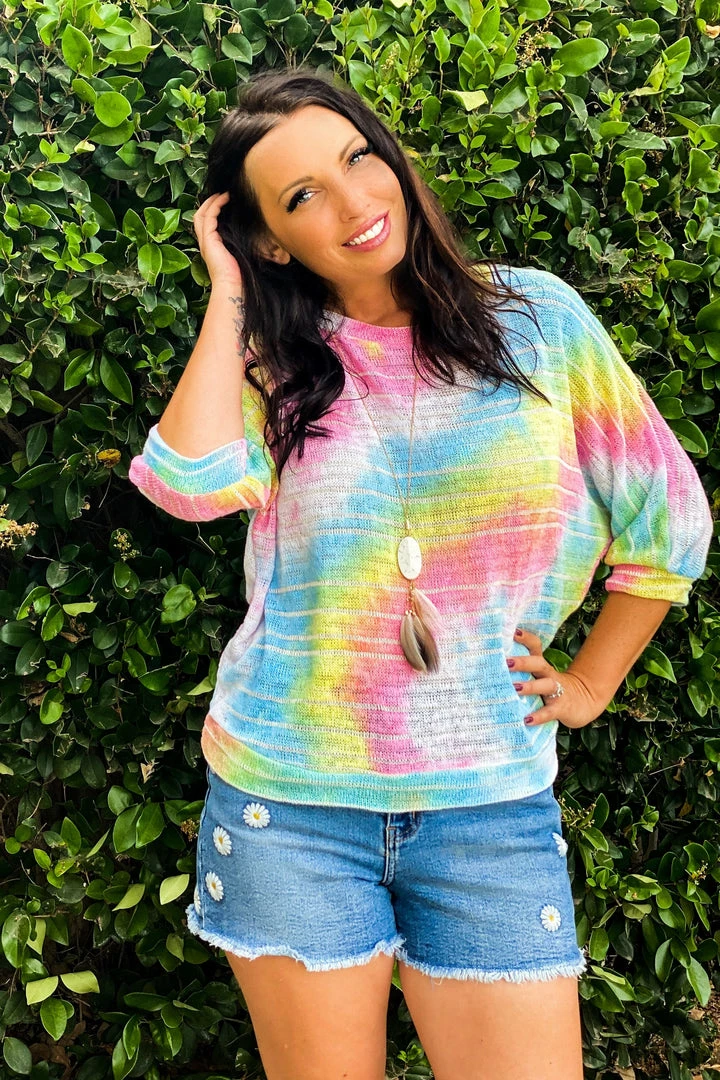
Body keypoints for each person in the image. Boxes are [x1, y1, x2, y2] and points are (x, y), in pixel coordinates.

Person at [128, 68, 713, 1080]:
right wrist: (227, 295)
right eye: (303, 195)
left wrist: (591, 684)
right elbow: (186, 485)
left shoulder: (537, 320)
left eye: (359, 158)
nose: (354, 200)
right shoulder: (276, 363)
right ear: (272, 240)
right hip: (290, 805)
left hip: (489, 803)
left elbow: (669, 517)